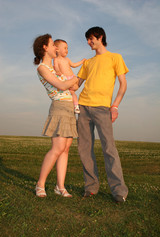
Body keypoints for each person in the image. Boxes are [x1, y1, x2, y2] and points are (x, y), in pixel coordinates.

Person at [77, 27, 129, 202]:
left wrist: (115, 106)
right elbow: (76, 84)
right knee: (84, 149)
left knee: (109, 149)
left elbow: (123, 84)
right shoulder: (88, 62)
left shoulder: (115, 57)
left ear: (100, 37)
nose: (89, 42)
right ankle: (91, 188)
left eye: (91, 38)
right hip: (83, 106)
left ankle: (119, 191)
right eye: (87, 39)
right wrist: (57, 73)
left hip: (103, 108)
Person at [33, 34, 78, 198]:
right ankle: (40, 184)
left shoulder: (56, 67)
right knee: (58, 148)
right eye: (52, 44)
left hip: (69, 108)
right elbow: (61, 85)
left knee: (65, 150)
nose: (55, 48)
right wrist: (78, 77)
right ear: (45, 47)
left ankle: (60, 187)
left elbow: (72, 87)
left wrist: (84, 75)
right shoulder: (43, 68)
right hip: (59, 108)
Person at [54, 39, 86, 114]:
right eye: (65, 48)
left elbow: (74, 65)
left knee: (74, 91)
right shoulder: (56, 59)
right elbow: (56, 68)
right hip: (65, 80)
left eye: (67, 48)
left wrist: (82, 62)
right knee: (72, 92)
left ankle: (76, 106)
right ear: (57, 49)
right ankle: (75, 106)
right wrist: (58, 71)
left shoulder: (67, 59)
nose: (67, 50)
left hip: (72, 78)